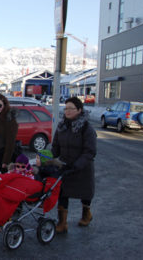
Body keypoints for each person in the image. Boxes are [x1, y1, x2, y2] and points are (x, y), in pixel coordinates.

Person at [52, 97, 97, 234]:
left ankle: (86, 214)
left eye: (71, 108)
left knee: (85, 193)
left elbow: (90, 151)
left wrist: (77, 165)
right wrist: (43, 158)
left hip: (82, 168)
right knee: (62, 193)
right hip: (65, 166)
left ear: (79, 110)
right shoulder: (61, 127)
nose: (67, 111)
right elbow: (55, 148)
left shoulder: (86, 128)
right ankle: (62, 223)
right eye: (66, 108)